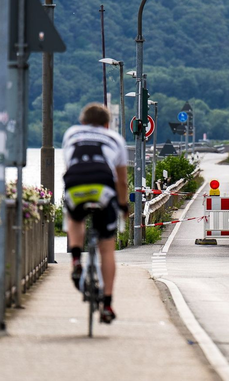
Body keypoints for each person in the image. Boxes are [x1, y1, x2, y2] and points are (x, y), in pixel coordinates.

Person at [62, 102, 129, 324]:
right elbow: (121, 181)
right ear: (107, 124)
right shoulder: (116, 139)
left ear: (82, 121)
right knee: (107, 248)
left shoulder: (71, 133)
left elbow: (70, 164)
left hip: (76, 184)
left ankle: (75, 261)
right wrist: (123, 206)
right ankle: (108, 304)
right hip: (103, 187)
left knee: (74, 217)